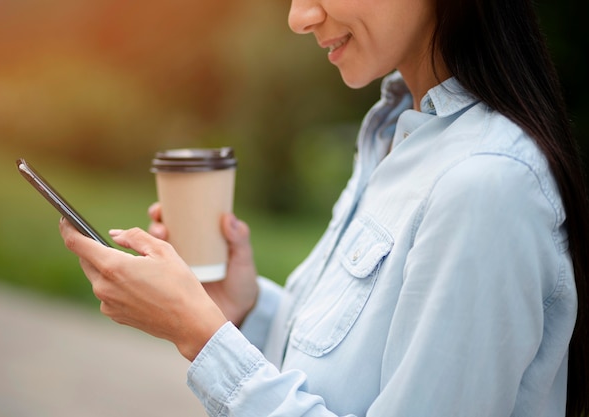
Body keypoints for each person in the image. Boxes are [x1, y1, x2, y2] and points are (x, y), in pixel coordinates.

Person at [59, 0, 589, 414]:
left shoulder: (486, 185)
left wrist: (201, 336)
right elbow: (351, 379)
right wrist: (244, 309)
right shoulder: (399, 134)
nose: (298, 17)